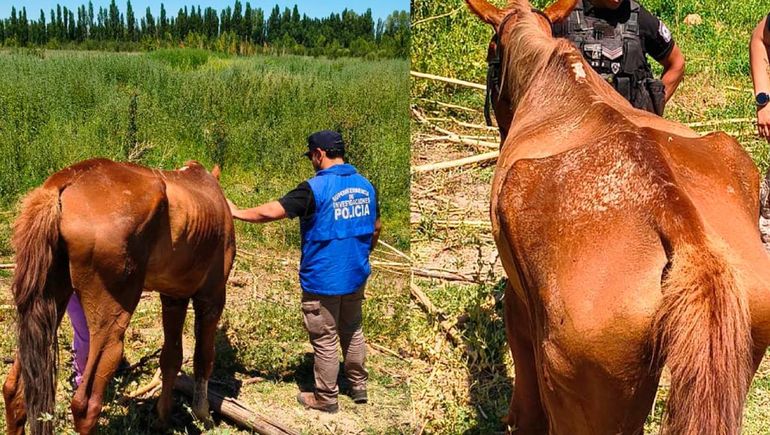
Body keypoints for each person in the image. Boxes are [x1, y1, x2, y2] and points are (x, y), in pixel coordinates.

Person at [227, 130, 382, 413]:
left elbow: (271, 212)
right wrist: (362, 253)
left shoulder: (313, 189)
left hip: (323, 279)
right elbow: (376, 228)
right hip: (356, 274)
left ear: (319, 154)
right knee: (353, 329)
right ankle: (358, 385)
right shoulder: (366, 186)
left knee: (325, 339)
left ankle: (325, 397)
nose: (312, 160)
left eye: (312, 155)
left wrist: (237, 212)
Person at [551, 0, 685, 115]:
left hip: (631, 131)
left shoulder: (640, 18)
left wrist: (651, 112)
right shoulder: (563, 16)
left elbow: (676, 64)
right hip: (577, 128)